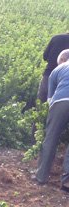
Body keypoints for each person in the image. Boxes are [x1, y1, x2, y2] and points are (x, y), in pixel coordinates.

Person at [35, 49, 69, 192]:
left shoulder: (57, 70)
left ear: (62, 60)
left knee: (51, 138)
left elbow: (50, 99)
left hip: (60, 101)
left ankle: (41, 176)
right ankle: (67, 182)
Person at [39, 33, 69, 103]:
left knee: (41, 104)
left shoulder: (56, 38)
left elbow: (45, 56)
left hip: (48, 75)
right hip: (64, 80)